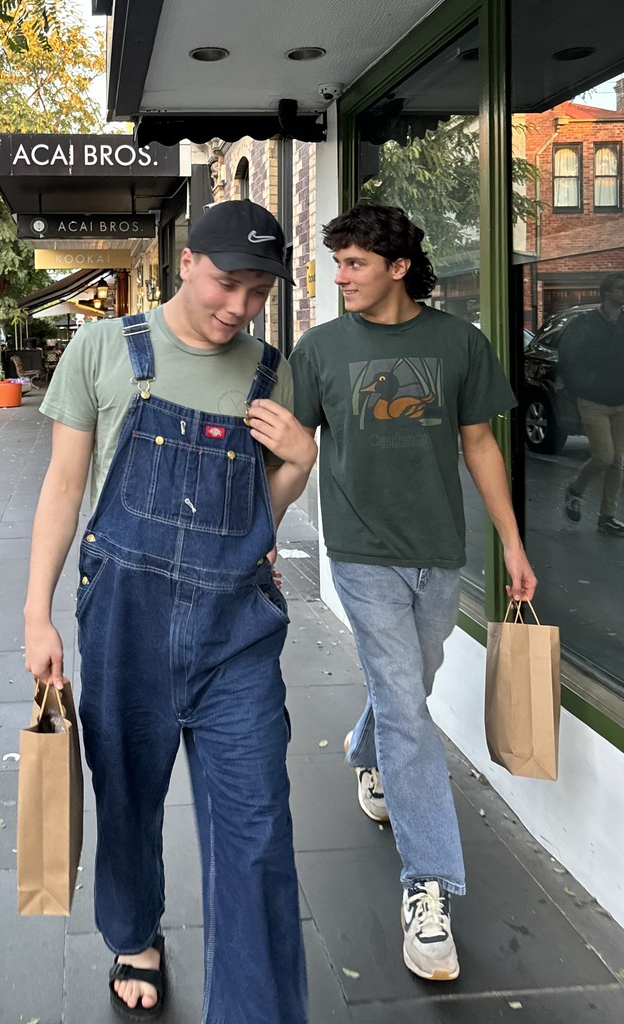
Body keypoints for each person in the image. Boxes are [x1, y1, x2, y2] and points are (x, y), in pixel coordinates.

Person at [23, 200, 315, 1023]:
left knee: (258, 827)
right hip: (125, 622)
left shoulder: (270, 371)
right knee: (124, 796)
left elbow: (259, 519)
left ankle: (257, 1010)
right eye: (228, 283)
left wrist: (298, 464)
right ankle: (134, 932)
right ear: (187, 261)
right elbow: (64, 488)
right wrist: (35, 615)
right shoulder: (104, 349)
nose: (239, 307)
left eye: (258, 292)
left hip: (239, 633)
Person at [289, 203, 537, 983]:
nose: (341, 279)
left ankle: (365, 752)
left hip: (438, 552)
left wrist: (511, 540)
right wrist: (258, 531)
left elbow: (479, 444)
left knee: (411, 684)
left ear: (398, 267)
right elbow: (296, 452)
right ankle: (428, 888)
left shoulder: (459, 343)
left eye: (355, 264)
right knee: (407, 704)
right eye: (337, 265)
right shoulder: (320, 348)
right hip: (360, 553)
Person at [559, 272, 624, 536]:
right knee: (603, 456)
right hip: (593, 402)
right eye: (621, 288)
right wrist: (582, 388)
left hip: (621, 402)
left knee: (618, 461)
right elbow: (569, 359)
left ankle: (607, 516)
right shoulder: (584, 322)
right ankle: (575, 488)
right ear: (607, 292)